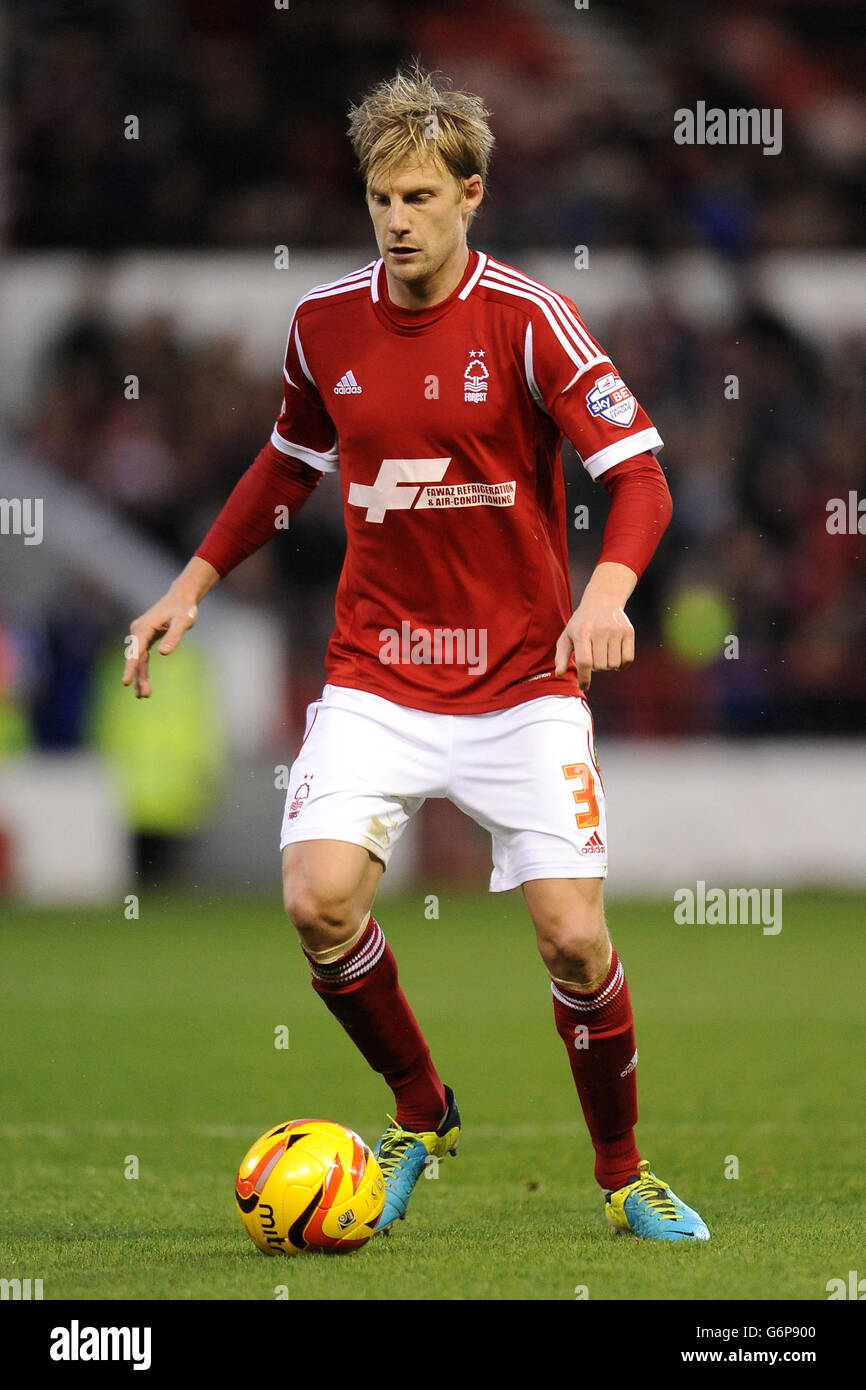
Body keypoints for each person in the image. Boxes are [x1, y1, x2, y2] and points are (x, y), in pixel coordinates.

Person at [123, 67, 709, 1243]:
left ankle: (622, 1171)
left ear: (469, 196)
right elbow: (286, 463)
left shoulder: (529, 318)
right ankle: (421, 1109)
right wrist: (189, 582)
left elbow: (637, 472)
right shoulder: (323, 323)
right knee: (317, 899)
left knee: (573, 936)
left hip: (520, 680)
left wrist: (605, 593)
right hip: (377, 673)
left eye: (416, 197)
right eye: (379, 198)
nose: (394, 219)